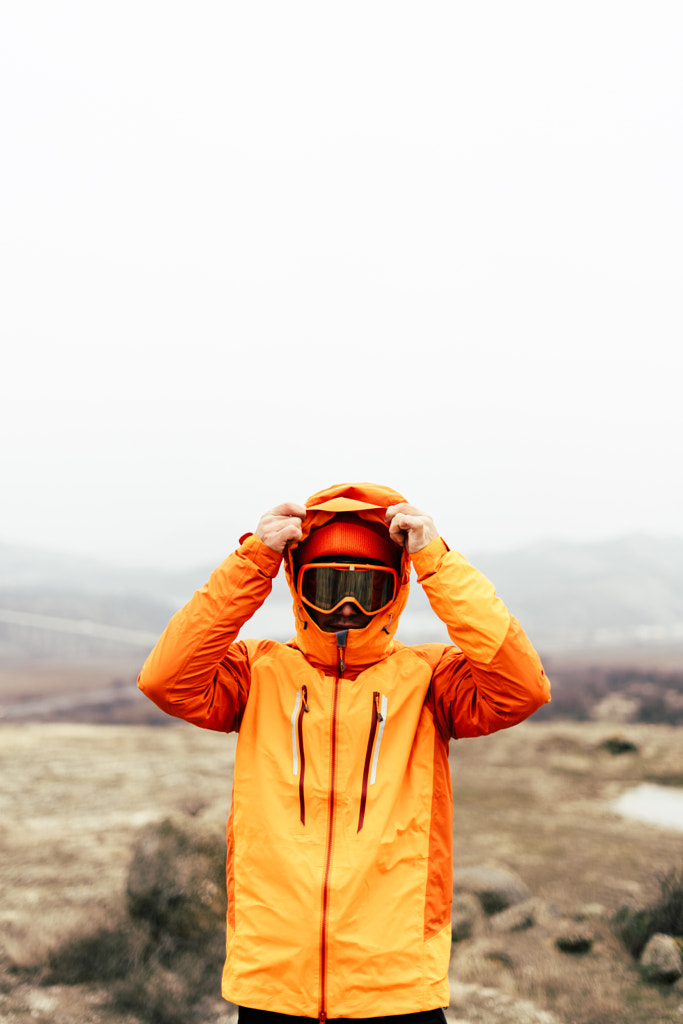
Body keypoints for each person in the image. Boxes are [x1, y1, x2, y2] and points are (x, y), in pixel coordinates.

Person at [138, 481, 551, 1024]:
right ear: (297, 584)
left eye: (368, 588)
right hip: (273, 979)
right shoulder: (257, 672)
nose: (347, 607)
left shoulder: (430, 679)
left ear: (396, 589)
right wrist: (253, 561)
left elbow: (523, 688)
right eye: (328, 585)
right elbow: (166, 679)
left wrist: (436, 562)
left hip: (397, 982)